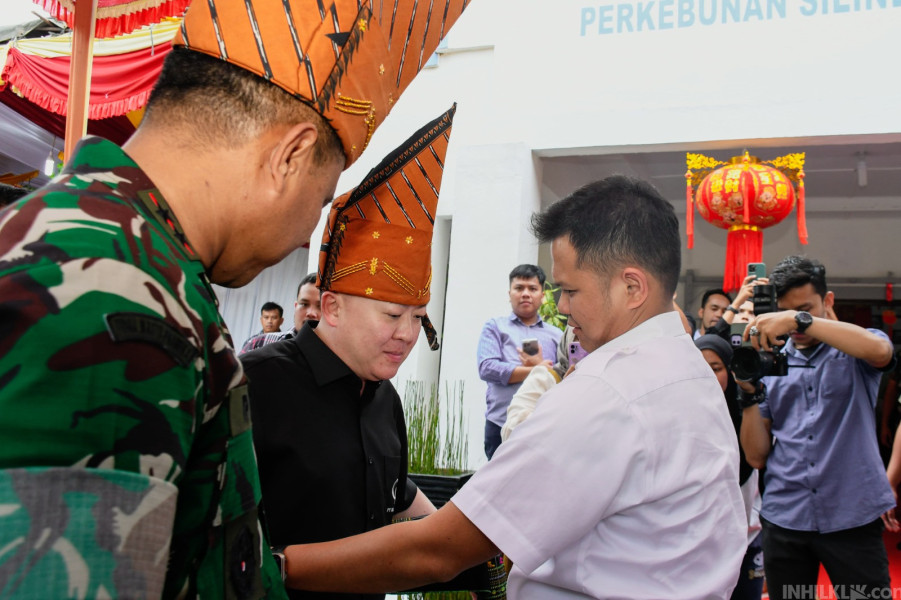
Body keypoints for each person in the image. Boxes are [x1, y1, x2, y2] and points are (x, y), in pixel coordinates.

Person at [0, 0, 472, 596]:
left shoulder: (125, 260)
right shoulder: (112, 294)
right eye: (320, 197)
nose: (307, 234)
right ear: (289, 157)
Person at [279, 175, 747, 599]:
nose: (559, 307)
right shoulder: (688, 368)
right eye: (391, 315)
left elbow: (438, 551)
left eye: (569, 290)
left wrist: (277, 566)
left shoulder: (608, 393)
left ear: (631, 287)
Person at [241, 107, 455, 600]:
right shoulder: (255, 384)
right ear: (331, 308)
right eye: (391, 315)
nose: (406, 334)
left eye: (418, 317)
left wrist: (455, 541)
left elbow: (396, 496)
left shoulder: (385, 398)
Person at [739, 255, 897, 600]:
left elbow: (881, 350)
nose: (793, 326)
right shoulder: (772, 361)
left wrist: (801, 319)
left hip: (852, 516)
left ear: (828, 301)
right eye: (786, 313)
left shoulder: (854, 350)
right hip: (786, 516)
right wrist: (749, 394)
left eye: (805, 309)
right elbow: (756, 456)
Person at [695, 335, 764, 600]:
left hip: (745, 538)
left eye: (715, 368)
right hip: (697, 543)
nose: (708, 377)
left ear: (730, 369)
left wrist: (749, 397)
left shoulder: (745, 408)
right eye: (700, 368)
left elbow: (755, 459)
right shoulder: (677, 413)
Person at [477, 264, 563, 458]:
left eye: (532, 289)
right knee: (498, 484)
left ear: (542, 295)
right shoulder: (495, 327)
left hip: (543, 424)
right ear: (509, 293)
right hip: (499, 422)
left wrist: (541, 368)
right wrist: (537, 370)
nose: (525, 294)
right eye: (519, 288)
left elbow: (564, 376)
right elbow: (487, 367)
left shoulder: (557, 335)